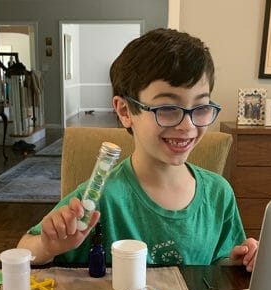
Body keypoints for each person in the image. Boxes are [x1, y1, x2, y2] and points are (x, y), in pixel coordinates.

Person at [18, 28, 258, 271]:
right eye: (167, 108)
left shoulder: (219, 193)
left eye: (201, 107)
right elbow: (24, 251)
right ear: (124, 111)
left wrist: (240, 261)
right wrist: (48, 247)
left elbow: (222, 261)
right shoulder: (100, 198)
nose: (188, 125)